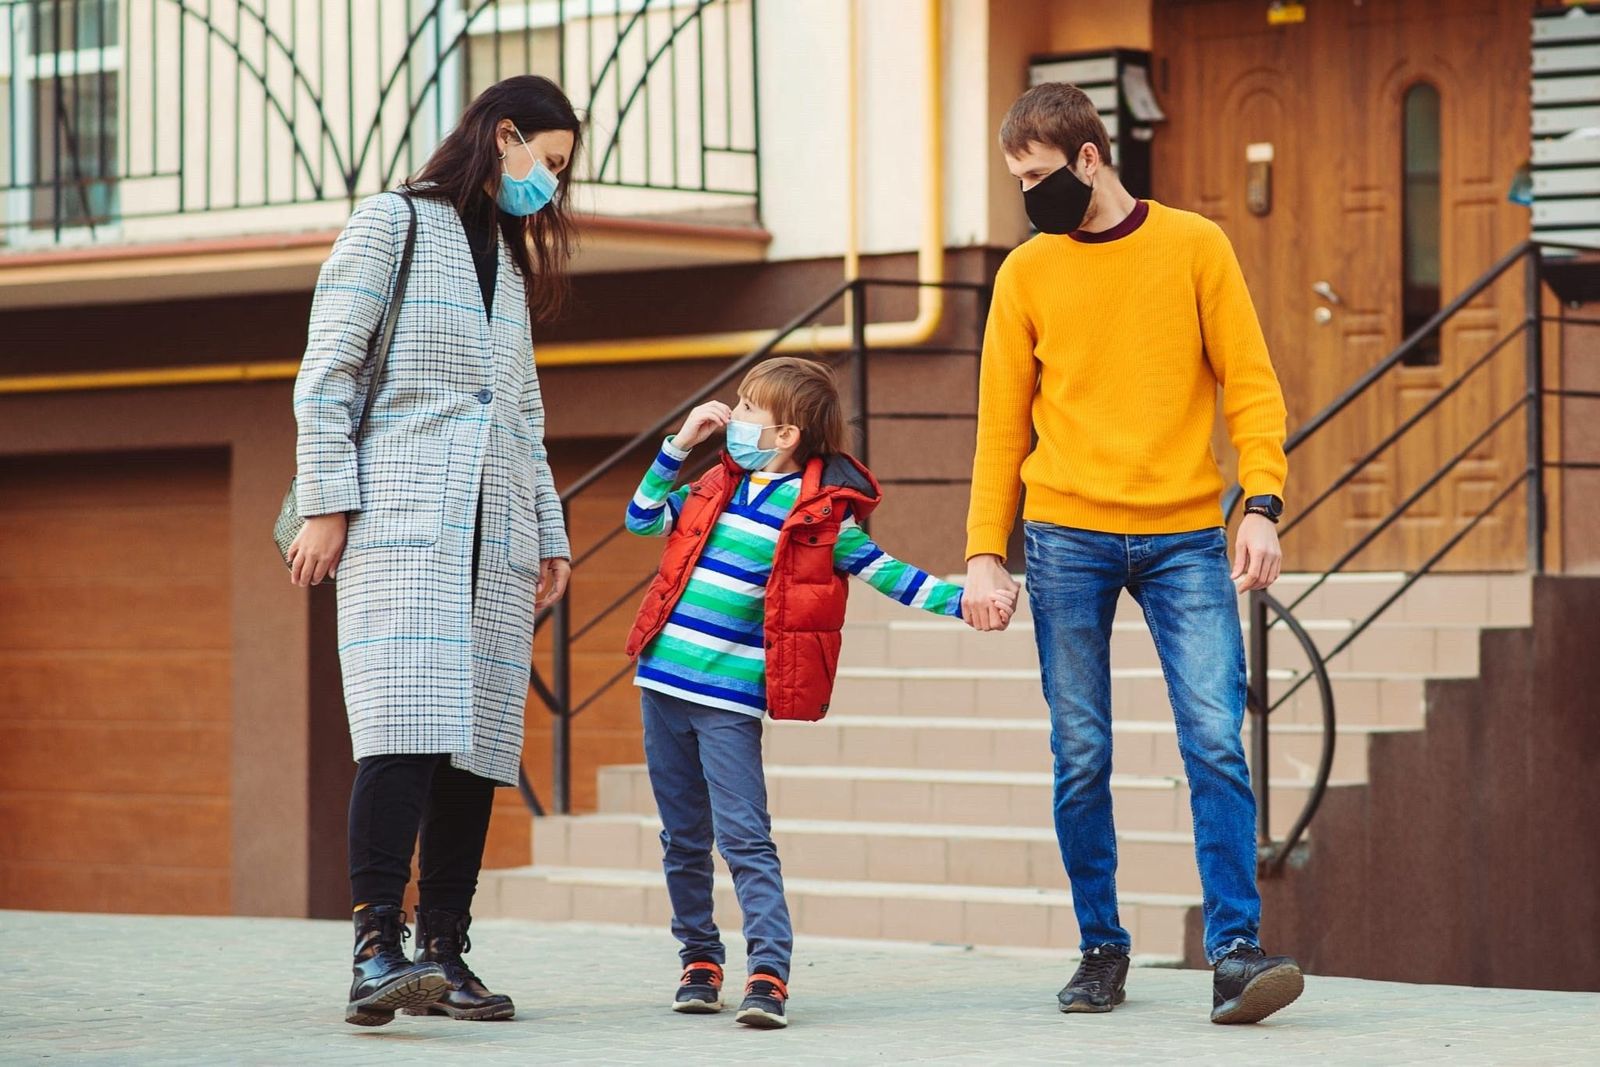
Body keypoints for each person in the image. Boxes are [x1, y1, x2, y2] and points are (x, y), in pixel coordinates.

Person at [961, 83, 1304, 1024]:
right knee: (1081, 753)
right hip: (1064, 534)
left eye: (1035, 177)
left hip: (1185, 535)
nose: (1027, 197)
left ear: (1088, 158)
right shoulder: (1026, 274)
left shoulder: (1195, 246)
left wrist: (1261, 503)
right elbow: (1001, 424)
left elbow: (1253, 385)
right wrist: (985, 551)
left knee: (1214, 740)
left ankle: (1235, 950)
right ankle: (1101, 947)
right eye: (1015, 181)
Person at [288, 75, 580, 1027]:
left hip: (494, 528)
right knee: (403, 728)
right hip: (402, 517)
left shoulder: (505, 254)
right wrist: (327, 503)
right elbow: (327, 366)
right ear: (505, 136)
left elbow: (524, 415)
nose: (554, 185)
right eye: (551, 160)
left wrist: (550, 532)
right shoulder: (393, 223)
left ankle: (446, 950)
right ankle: (378, 946)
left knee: (478, 745)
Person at [623, 358, 1017, 1030]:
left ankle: (769, 973)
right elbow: (640, 519)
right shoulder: (712, 488)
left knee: (745, 837)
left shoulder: (818, 519)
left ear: (785, 435)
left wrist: (967, 601)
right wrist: (677, 447)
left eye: (750, 408)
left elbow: (890, 573)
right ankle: (699, 959)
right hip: (660, 686)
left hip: (727, 703)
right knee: (683, 838)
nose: (734, 415)